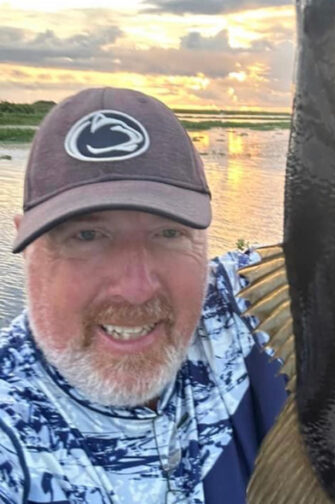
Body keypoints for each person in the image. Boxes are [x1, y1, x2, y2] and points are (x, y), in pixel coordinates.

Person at [0, 87, 286, 503]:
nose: (136, 289)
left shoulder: (253, 303)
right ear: (27, 245)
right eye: (87, 235)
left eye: (169, 233)